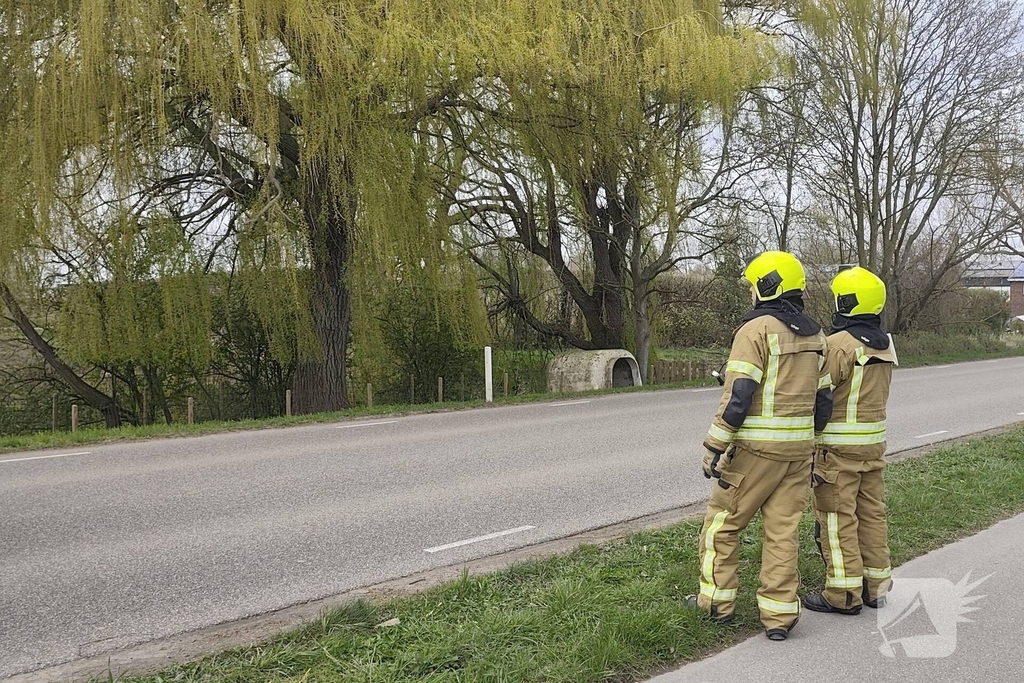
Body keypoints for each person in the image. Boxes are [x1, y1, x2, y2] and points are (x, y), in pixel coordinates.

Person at [690, 251, 832, 641]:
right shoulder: (817, 335)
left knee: (722, 524)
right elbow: (824, 401)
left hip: (755, 451)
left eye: (754, 286)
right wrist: (807, 439)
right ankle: (779, 617)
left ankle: (716, 604)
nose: (751, 294)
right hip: (798, 452)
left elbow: (739, 394)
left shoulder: (755, 331)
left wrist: (714, 445)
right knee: (783, 532)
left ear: (767, 286)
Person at [803, 266, 896, 615]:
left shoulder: (838, 345)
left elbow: (820, 398)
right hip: (873, 448)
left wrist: (808, 437)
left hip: (837, 451)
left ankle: (842, 594)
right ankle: (876, 587)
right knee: (872, 514)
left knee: (837, 517)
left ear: (847, 302)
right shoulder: (885, 345)